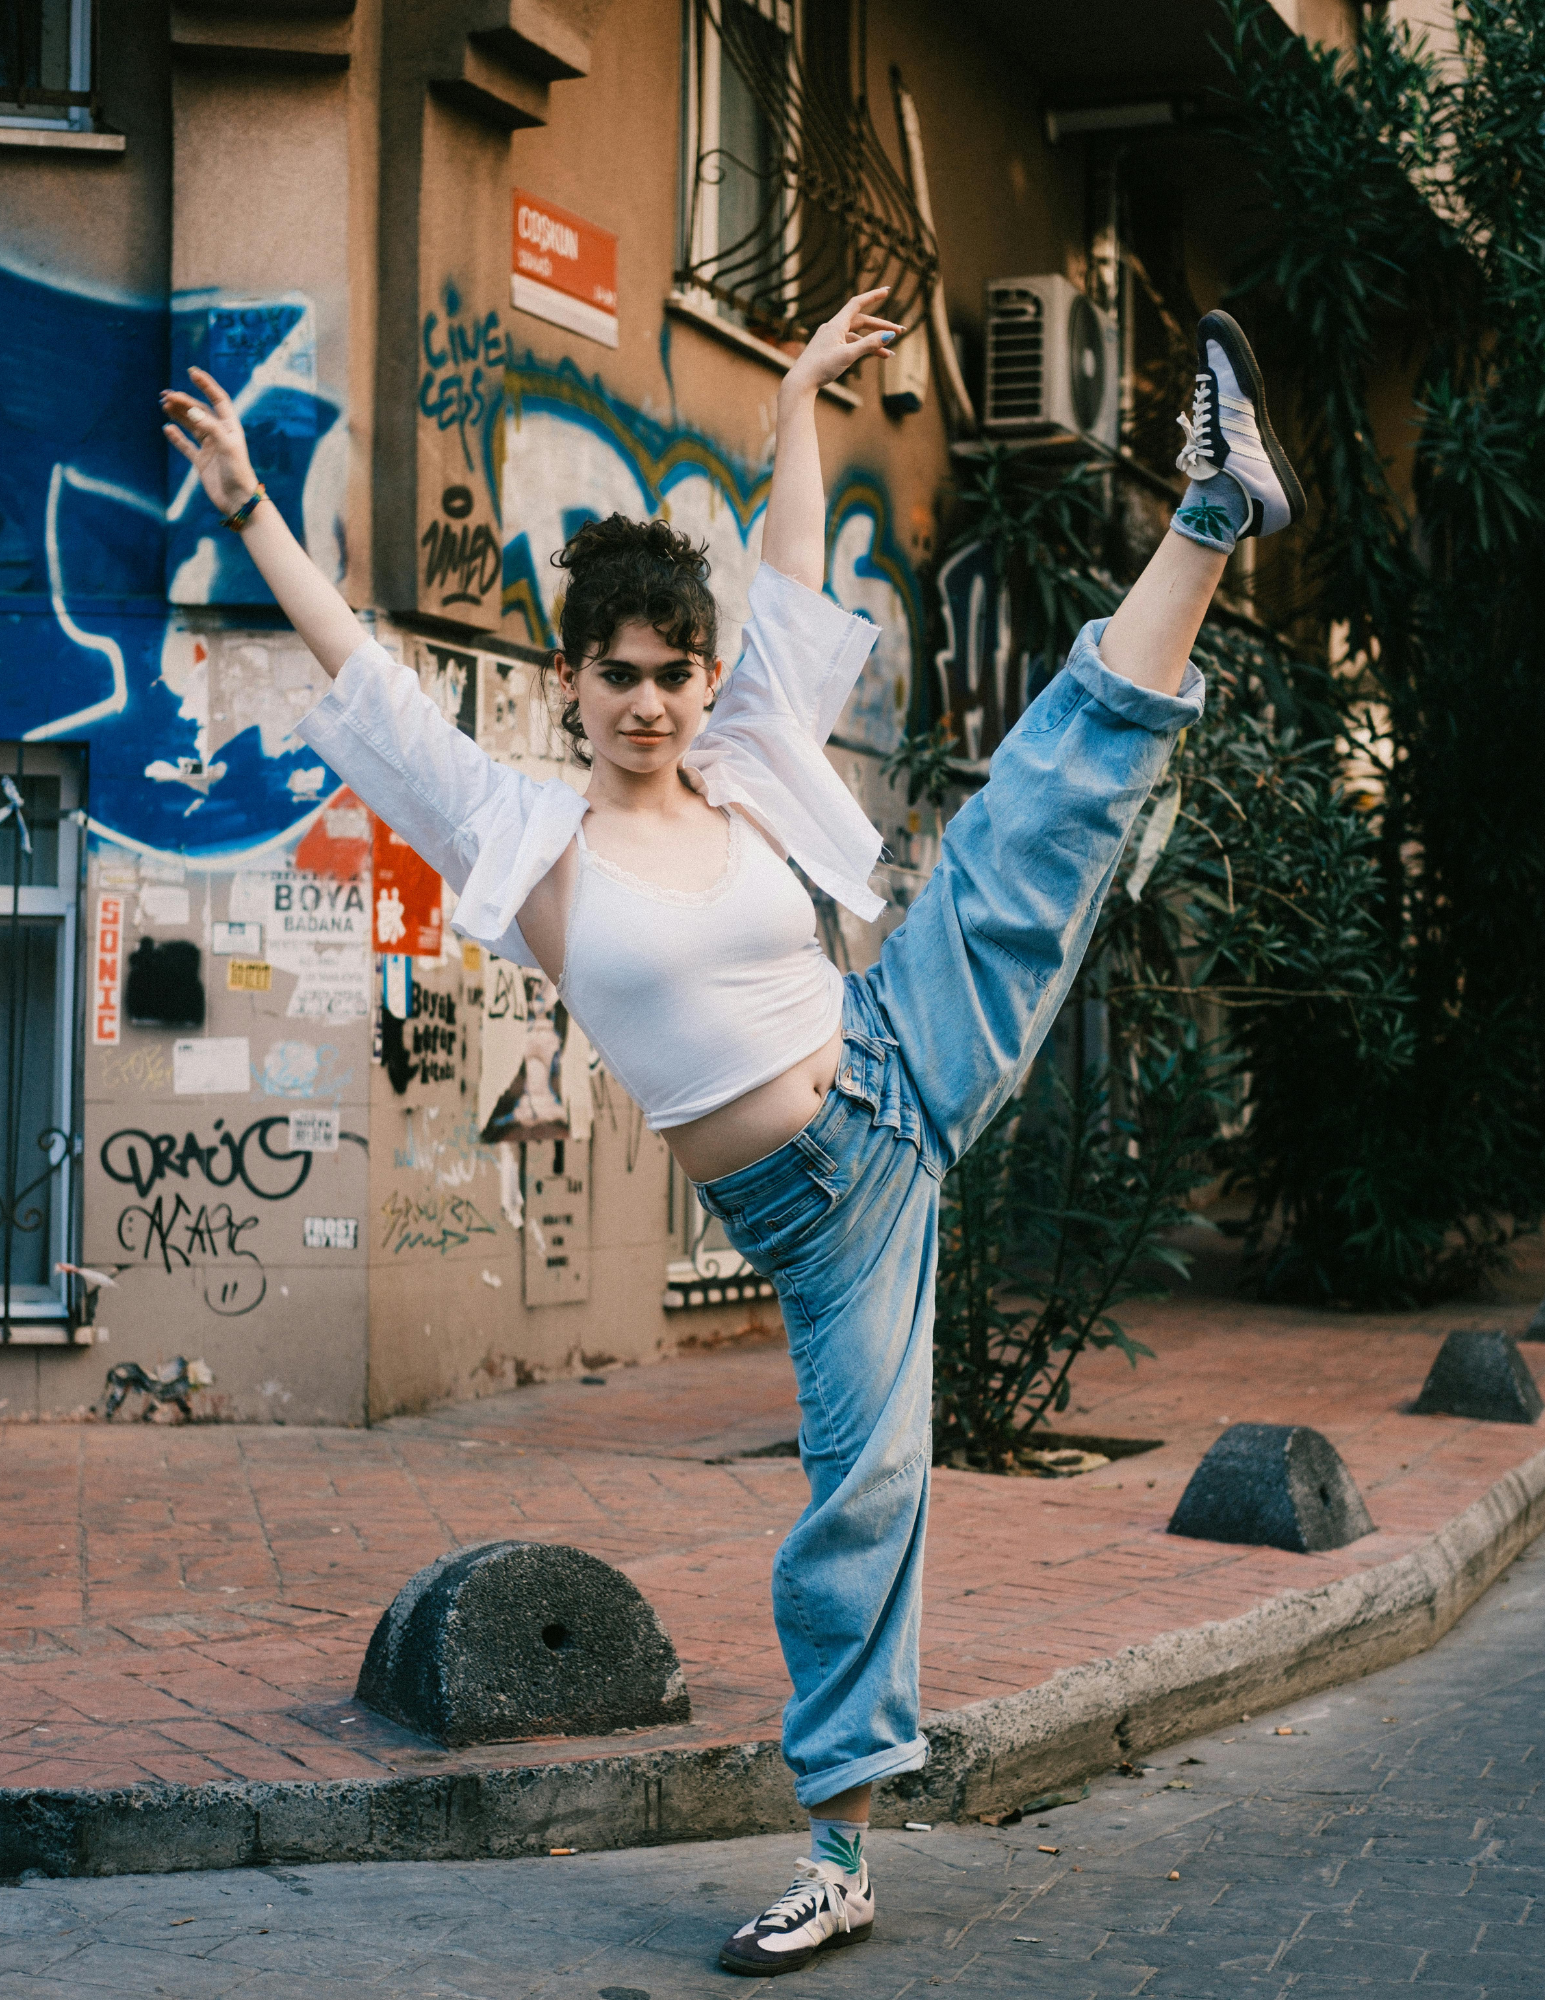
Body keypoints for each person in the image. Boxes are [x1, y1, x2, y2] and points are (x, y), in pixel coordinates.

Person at [162, 294, 1301, 1975]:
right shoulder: (523, 834)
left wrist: (791, 405)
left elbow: (790, 582)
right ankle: (839, 1858)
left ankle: (1214, 507)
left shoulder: (748, 762)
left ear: (705, 679)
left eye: (675, 673)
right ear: (570, 681)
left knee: (1042, 801)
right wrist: (256, 507)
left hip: (899, 1048)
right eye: (617, 675)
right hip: (822, 1214)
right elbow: (377, 688)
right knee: (865, 1497)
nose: (650, 701)